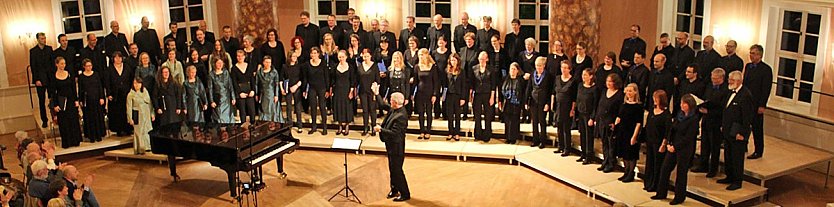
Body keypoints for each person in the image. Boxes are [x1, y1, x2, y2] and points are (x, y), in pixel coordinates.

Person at [652, 94, 700, 205]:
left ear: (690, 105)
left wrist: (675, 146)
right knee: (665, 169)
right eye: (681, 103)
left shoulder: (694, 119)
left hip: (684, 149)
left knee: (681, 173)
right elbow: (672, 130)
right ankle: (661, 192)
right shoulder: (680, 115)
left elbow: (688, 137)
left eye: (684, 103)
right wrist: (669, 143)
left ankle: (679, 197)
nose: (681, 105)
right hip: (672, 146)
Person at [371, 85, 410, 202]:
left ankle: (405, 193)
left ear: (394, 102)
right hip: (390, 145)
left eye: (391, 100)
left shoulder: (402, 116)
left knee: (397, 170)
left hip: (397, 147)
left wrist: (380, 130)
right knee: (392, 169)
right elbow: (383, 105)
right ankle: (394, 189)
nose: (389, 101)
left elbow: (395, 133)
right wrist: (376, 93)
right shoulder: (394, 109)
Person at [718, 71, 755, 190]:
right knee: (728, 155)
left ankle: (737, 181)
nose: (728, 82)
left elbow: (747, 117)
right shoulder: (730, 92)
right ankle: (729, 176)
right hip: (728, 131)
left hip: (738, 132)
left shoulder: (746, 95)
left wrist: (742, 133)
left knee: (737, 157)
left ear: (738, 81)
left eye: (731, 80)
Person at [743, 45, 772, 159]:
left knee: (757, 128)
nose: (751, 55)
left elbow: (766, 89)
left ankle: (758, 151)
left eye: (754, 53)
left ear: (760, 55)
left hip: (757, 103)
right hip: (746, 101)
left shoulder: (766, 69)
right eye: (750, 53)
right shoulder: (748, 66)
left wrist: (762, 105)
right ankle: (743, 145)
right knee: (744, 125)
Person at [699, 68, 729, 178]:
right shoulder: (710, 86)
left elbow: (723, 108)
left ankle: (713, 169)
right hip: (706, 119)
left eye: (715, 78)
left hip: (716, 121)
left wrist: (709, 111)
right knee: (704, 143)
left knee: (714, 146)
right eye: (712, 78)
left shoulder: (725, 90)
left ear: (721, 78)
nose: (713, 80)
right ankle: (703, 165)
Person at [593, 74, 624, 173]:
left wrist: (615, 123)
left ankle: (611, 163)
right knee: (604, 143)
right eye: (607, 81)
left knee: (611, 145)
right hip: (602, 121)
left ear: (615, 82)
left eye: (610, 81)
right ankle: (605, 161)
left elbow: (620, 110)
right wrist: (596, 118)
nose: (608, 83)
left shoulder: (619, 94)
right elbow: (600, 105)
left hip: (611, 123)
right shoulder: (604, 91)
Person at [50, 57, 84, 148]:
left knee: (73, 120)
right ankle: (67, 142)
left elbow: (73, 88)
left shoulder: (69, 74)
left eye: (64, 63)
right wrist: (55, 105)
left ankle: (75, 140)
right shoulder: (53, 76)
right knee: (64, 122)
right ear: (56, 64)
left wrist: (76, 100)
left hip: (71, 100)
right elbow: (53, 92)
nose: (63, 65)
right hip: (61, 102)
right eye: (61, 64)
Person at [615, 83, 643, 182]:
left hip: (631, 132)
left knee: (631, 154)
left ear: (635, 92)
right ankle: (626, 171)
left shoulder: (638, 106)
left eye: (631, 91)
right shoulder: (624, 104)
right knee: (624, 153)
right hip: (622, 131)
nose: (628, 93)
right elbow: (619, 116)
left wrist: (634, 136)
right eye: (627, 91)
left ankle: (631, 173)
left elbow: (639, 123)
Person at [643, 90, 671, 192]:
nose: (654, 100)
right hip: (650, 140)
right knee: (649, 162)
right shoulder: (652, 111)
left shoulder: (666, 114)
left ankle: (655, 185)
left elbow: (667, 132)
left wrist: (663, 144)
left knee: (657, 164)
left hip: (658, 143)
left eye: (656, 99)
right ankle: (648, 183)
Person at [77, 59, 107, 142]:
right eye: (87, 66)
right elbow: (80, 89)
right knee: (89, 118)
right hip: (87, 100)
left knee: (98, 117)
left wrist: (102, 97)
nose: (89, 67)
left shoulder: (96, 74)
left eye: (90, 65)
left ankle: (99, 135)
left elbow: (100, 87)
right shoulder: (81, 77)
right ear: (84, 67)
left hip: (97, 99)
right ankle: (92, 136)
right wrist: (80, 100)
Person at [207, 57, 236, 139]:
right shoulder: (211, 74)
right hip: (218, 100)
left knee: (228, 118)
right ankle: (221, 133)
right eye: (218, 63)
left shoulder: (226, 73)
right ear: (214, 64)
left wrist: (233, 97)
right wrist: (211, 101)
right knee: (219, 118)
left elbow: (230, 86)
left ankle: (228, 131)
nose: (219, 65)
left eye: (221, 63)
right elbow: (210, 89)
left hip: (227, 99)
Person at [105, 52, 134, 136]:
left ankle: (128, 129)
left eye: (120, 57)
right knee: (117, 112)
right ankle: (119, 130)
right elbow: (107, 82)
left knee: (127, 110)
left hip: (127, 93)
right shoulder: (109, 69)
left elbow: (131, 79)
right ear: (113, 59)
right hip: (115, 95)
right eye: (116, 58)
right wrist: (109, 93)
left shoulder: (127, 67)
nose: (118, 59)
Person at [414, 48, 440, 140]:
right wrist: (413, 94)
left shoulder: (432, 67)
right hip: (420, 92)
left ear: (426, 55)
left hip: (429, 92)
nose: (420, 57)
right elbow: (415, 82)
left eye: (422, 55)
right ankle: (421, 131)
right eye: (419, 55)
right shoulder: (417, 67)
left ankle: (428, 131)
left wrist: (435, 94)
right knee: (421, 112)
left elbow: (436, 82)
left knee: (429, 112)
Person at [471, 52, 497, 142]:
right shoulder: (474, 68)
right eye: (480, 59)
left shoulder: (491, 69)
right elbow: (472, 83)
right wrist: (471, 95)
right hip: (477, 94)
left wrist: (492, 97)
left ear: (487, 59)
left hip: (488, 94)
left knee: (488, 115)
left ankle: (487, 135)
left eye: (483, 59)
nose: (481, 60)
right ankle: (477, 134)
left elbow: (493, 84)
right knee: (477, 115)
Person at [304, 47, 330, 135]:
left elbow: (327, 77)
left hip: (322, 87)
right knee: (313, 107)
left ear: (318, 54)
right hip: (312, 88)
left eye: (315, 53)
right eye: (312, 53)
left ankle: (324, 127)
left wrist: (327, 89)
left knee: (322, 107)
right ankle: (314, 127)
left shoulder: (323, 64)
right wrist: (304, 89)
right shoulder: (307, 64)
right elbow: (305, 78)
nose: (313, 55)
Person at [553, 60, 577, 155]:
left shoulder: (573, 81)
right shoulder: (557, 78)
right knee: (559, 127)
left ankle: (567, 148)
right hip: (558, 106)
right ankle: (560, 146)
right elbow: (554, 92)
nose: (563, 70)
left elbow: (574, 98)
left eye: (565, 68)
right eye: (562, 67)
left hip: (567, 107)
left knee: (566, 128)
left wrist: (572, 109)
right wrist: (552, 104)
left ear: (569, 69)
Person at [526, 57, 551, 147]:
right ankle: (535, 140)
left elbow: (549, 91)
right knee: (534, 121)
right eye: (537, 66)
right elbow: (529, 87)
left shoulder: (548, 76)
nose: (538, 68)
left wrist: (548, 103)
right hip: (533, 100)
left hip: (543, 101)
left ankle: (542, 141)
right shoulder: (533, 74)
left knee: (542, 121)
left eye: (540, 66)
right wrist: (526, 101)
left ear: (544, 66)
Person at [576, 68, 599, 164]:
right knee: (582, 134)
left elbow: (595, 104)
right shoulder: (580, 86)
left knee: (588, 136)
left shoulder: (595, 89)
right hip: (581, 113)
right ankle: (583, 153)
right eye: (582, 74)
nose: (583, 77)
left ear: (591, 76)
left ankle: (589, 155)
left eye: (585, 75)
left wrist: (592, 118)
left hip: (589, 115)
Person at [31, 33, 53, 128]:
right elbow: (33, 67)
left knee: (52, 99)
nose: (44, 40)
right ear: (38, 39)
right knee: (41, 101)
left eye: (44, 38)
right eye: (42, 38)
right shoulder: (33, 51)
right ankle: (44, 120)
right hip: (40, 79)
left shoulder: (49, 49)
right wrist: (36, 79)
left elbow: (52, 64)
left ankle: (54, 118)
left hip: (50, 78)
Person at [501, 63, 526, 144]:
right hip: (507, 102)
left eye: (514, 69)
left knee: (514, 120)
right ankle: (508, 137)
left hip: (516, 103)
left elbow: (523, 93)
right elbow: (501, 91)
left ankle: (514, 137)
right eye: (511, 69)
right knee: (507, 120)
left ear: (518, 71)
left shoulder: (520, 80)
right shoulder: (505, 79)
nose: (512, 71)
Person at [331, 50, 356, 135]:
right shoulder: (335, 67)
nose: (341, 59)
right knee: (338, 107)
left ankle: (347, 126)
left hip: (347, 89)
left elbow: (353, 80)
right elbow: (333, 79)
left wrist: (351, 91)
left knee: (347, 108)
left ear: (346, 57)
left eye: (342, 57)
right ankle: (340, 126)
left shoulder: (350, 67)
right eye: (339, 57)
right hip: (338, 90)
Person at [256, 56, 284, 130]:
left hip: (272, 94)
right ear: (263, 62)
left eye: (269, 62)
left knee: (272, 110)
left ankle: (273, 127)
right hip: (263, 94)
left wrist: (276, 95)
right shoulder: (259, 72)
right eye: (266, 62)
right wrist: (256, 94)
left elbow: (276, 84)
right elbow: (257, 84)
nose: (268, 64)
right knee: (264, 110)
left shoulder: (274, 72)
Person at [358, 49, 381, 136]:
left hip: (372, 91)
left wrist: (376, 90)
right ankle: (365, 128)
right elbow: (357, 79)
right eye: (364, 56)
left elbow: (378, 79)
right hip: (363, 91)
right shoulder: (360, 66)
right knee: (365, 110)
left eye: (367, 56)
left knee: (372, 110)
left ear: (370, 56)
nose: (366, 58)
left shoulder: (374, 66)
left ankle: (373, 128)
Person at [127, 77, 153, 154]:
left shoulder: (145, 92)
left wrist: (152, 113)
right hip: (137, 113)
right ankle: (140, 148)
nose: (137, 85)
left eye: (138, 83)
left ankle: (148, 146)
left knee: (147, 129)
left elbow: (150, 104)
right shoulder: (130, 94)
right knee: (139, 131)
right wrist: (130, 118)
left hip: (146, 113)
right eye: (135, 83)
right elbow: (129, 107)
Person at [443, 53, 466, 141]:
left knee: (457, 115)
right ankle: (450, 132)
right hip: (449, 95)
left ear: (458, 61)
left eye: (454, 60)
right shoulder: (446, 71)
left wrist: (463, 98)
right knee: (450, 115)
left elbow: (464, 85)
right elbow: (445, 84)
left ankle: (457, 133)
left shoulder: (462, 71)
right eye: (452, 60)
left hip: (458, 95)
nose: (453, 62)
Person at [231, 50, 257, 125]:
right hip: (240, 92)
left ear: (244, 56)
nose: (240, 57)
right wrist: (239, 93)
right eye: (238, 56)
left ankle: (253, 128)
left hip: (249, 91)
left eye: (241, 56)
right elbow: (234, 82)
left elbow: (252, 79)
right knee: (243, 112)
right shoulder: (234, 68)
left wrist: (253, 90)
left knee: (252, 112)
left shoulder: (249, 66)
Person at [182, 65, 208, 139]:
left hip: (199, 104)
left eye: (194, 72)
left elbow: (202, 92)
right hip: (190, 104)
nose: (193, 74)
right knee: (193, 121)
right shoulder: (185, 83)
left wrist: (205, 103)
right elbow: (184, 96)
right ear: (188, 73)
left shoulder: (198, 81)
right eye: (191, 72)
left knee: (200, 120)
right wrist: (185, 107)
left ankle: (201, 135)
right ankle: (194, 136)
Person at [283, 52, 304, 132]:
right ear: (289, 57)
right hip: (288, 88)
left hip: (297, 87)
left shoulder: (299, 67)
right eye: (293, 56)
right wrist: (283, 88)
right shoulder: (285, 67)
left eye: (296, 56)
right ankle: (289, 124)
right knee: (288, 107)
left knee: (298, 107)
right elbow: (282, 78)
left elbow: (302, 78)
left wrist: (296, 86)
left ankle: (299, 125)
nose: (295, 57)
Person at [432, 36, 452, 118]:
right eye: (439, 41)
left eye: (442, 41)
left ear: (446, 43)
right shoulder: (433, 53)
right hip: (436, 76)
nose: (441, 43)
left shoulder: (448, 53)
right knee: (436, 93)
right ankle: (437, 112)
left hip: (445, 76)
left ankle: (444, 112)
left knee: (444, 94)